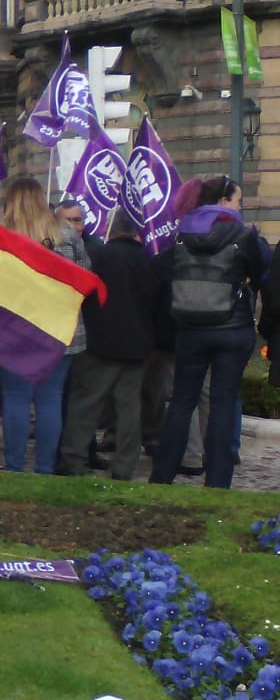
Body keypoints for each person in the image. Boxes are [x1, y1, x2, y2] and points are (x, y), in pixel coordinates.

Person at [151, 176, 264, 489]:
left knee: (181, 402)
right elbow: (262, 272)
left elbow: (162, 270)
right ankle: (218, 481)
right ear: (226, 200)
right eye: (238, 200)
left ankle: (162, 475)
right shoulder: (243, 235)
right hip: (232, 329)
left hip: (189, 328)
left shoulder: (182, 234)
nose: (240, 206)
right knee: (223, 404)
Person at [0, 176, 88, 474]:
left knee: (15, 399)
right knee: (50, 399)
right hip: (59, 329)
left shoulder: (0, 236)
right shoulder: (66, 235)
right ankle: (45, 468)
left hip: (14, 329)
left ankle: (15, 466)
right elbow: (85, 274)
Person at [60, 211, 157, 480]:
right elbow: (157, 303)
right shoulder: (149, 260)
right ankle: (124, 466)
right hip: (137, 345)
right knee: (129, 409)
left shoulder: (98, 256)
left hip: (98, 342)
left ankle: (73, 460)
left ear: (110, 231)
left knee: (85, 404)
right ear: (138, 233)